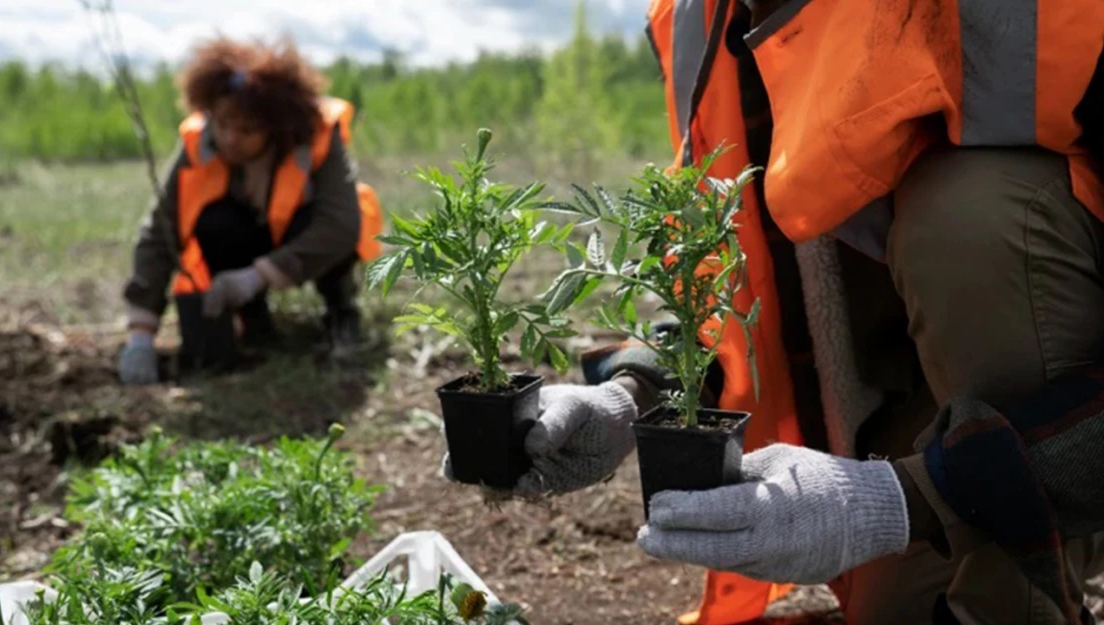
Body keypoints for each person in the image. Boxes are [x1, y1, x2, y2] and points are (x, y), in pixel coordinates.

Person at [443, 1, 1104, 623]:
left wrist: (912, 496)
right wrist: (634, 392)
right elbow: (740, 277)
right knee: (893, 606)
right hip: (947, 412)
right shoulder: (707, 20)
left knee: (969, 217)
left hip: (1074, 414)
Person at [118, 36, 382, 385]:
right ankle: (254, 324)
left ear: (275, 126)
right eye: (223, 123)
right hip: (248, 237)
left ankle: (341, 312)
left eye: (246, 130)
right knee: (214, 223)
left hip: (303, 240)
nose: (229, 138)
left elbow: (340, 224)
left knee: (332, 228)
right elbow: (160, 232)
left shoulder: (315, 135)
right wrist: (141, 334)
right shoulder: (200, 142)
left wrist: (257, 276)